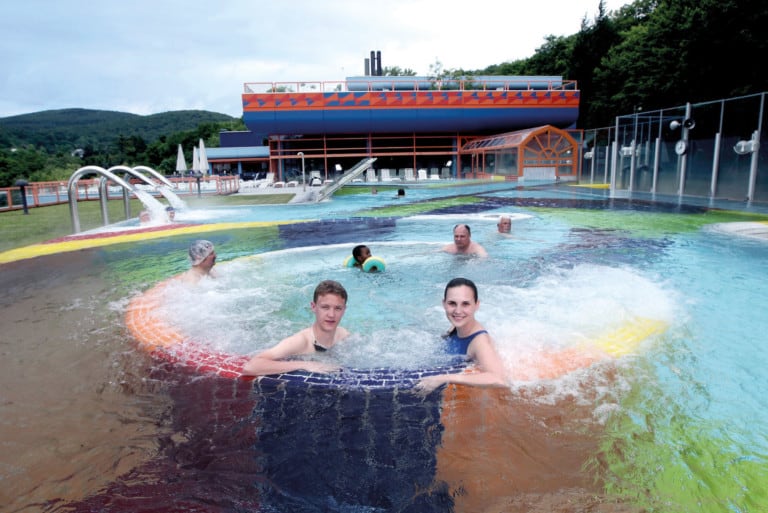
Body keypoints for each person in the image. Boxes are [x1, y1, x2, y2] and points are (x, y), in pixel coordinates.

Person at [242, 280, 350, 376]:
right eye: (325, 307)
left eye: (338, 308)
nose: (331, 314)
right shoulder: (300, 342)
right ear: (313, 307)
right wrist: (305, 364)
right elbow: (252, 366)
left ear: (344, 310)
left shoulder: (343, 335)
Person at [415, 278, 506, 392]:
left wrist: (444, 378)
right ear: (444, 304)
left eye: (465, 304)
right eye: (452, 303)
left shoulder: (479, 342)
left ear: (476, 305)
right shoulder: (456, 327)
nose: (458, 311)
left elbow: (498, 379)